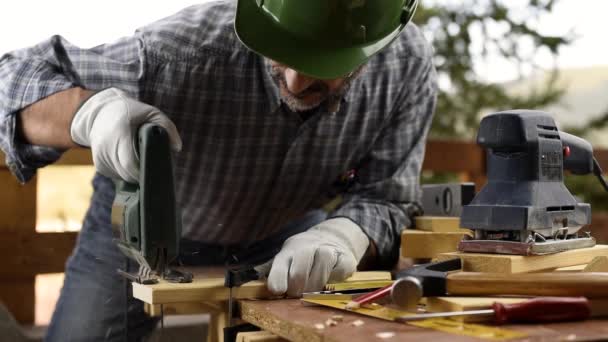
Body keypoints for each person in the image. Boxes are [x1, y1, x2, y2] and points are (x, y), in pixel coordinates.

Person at [0, 0, 436, 340]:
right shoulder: (177, 51)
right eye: (283, 50)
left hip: (290, 241)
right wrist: (89, 114)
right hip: (136, 238)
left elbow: (386, 197)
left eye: (323, 64)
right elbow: (11, 81)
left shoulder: (405, 69)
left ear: (378, 47)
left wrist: (342, 236)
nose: (295, 81)